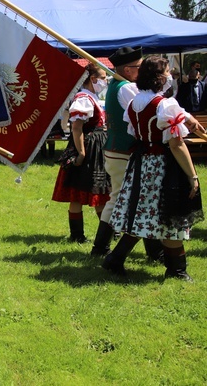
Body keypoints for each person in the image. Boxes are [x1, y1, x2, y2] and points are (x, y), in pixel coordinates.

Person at [104, 56, 204, 281]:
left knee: (143, 214)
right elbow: (176, 144)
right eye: (167, 71)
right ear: (160, 77)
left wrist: (187, 118)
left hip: (141, 163)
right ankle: (177, 270)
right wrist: (192, 176)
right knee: (170, 215)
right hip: (163, 166)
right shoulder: (165, 104)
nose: (170, 75)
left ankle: (115, 259)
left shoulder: (134, 103)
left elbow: (136, 132)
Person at [91, 46, 166, 259]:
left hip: (118, 150)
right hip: (123, 151)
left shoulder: (119, 84)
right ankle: (106, 248)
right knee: (135, 199)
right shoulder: (126, 88)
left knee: (125, 199)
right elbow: (145, 111)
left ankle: (103, 247)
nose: (142, 71)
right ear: (127, 70)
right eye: (139, 67)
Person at [51, 63, 111, 243]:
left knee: (99, 192)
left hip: (95, 146)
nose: (105, 80)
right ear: (93, 79)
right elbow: (76, 128)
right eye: (102, 77)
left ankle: (106, 232)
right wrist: (81, 153)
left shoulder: (91, 97)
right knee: (83, 192)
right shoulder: (83, 98)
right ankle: (80, 235)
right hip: (88, 147)